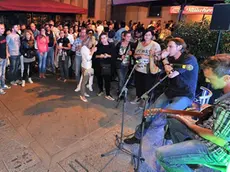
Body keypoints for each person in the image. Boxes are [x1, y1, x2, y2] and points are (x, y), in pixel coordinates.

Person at [155, 54, 230, 172]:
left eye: (210, 78)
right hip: (207, 132)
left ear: (226, 78)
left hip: (215, 149)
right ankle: (189, 160)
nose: (206, 80)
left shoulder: (227, 104)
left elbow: (218, 139)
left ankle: (185, 159)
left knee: (161, 155)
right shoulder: (225, 96)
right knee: (173, 119)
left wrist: (191, 124)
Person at [124, 37, 199, 144]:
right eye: (167, 46)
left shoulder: (189, 59)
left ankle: (171, 133)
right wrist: (157, 58)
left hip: (185, 94)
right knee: (150, 112)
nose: (167, 49)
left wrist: (164, 59)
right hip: (171, 91)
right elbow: (156, 70)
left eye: (170, 46)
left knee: (168, 112)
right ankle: (138, 137)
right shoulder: (171, 58)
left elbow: (172, 74)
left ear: (179, 47)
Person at [130, 29, 161, 105]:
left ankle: (144, 101)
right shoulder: (140, 43)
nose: (146, 37)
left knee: (147, 86)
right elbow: (135, 54)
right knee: (138, 84)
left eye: (149, 35)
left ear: (152, 36)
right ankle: (138, 97)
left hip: (148, 69)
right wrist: (138, 56)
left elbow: (158, 58)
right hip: (138, 67)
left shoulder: (155, 45)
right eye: (145, 35)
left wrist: (145, 56)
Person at [94, 32, 116, 101]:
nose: (103, 40)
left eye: (104, 38)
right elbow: (94, 55)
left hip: (108, 65)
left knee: (107, 80)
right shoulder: (98, 45)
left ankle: (108, 94)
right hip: (99, 65)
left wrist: (108, 55)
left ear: (107, 38)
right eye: (101, 38)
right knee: (99, 78)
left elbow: (114, 55)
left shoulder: (111, 45)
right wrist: (99, 56)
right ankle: (101, 90)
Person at [79, 37, 97, 102]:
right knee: (84, 82)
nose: (91, 44)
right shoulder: (85, 49)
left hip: (86, 66)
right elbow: (88, 58)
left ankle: (83, 92)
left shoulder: (85, 48)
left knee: (85, 81)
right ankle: (82, 95)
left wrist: (92, 49)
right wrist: (92, 51)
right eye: (91, 43)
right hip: (86, 67)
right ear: (88, 42)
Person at [0, 23, 11, 94]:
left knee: (3, 73)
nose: (3, 30)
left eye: (3, 28)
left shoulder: (3, 37)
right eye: (1, 28)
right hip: (0, 58)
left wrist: (7, 53)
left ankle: (3, 85)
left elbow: (6, 45)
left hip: (4, 58)